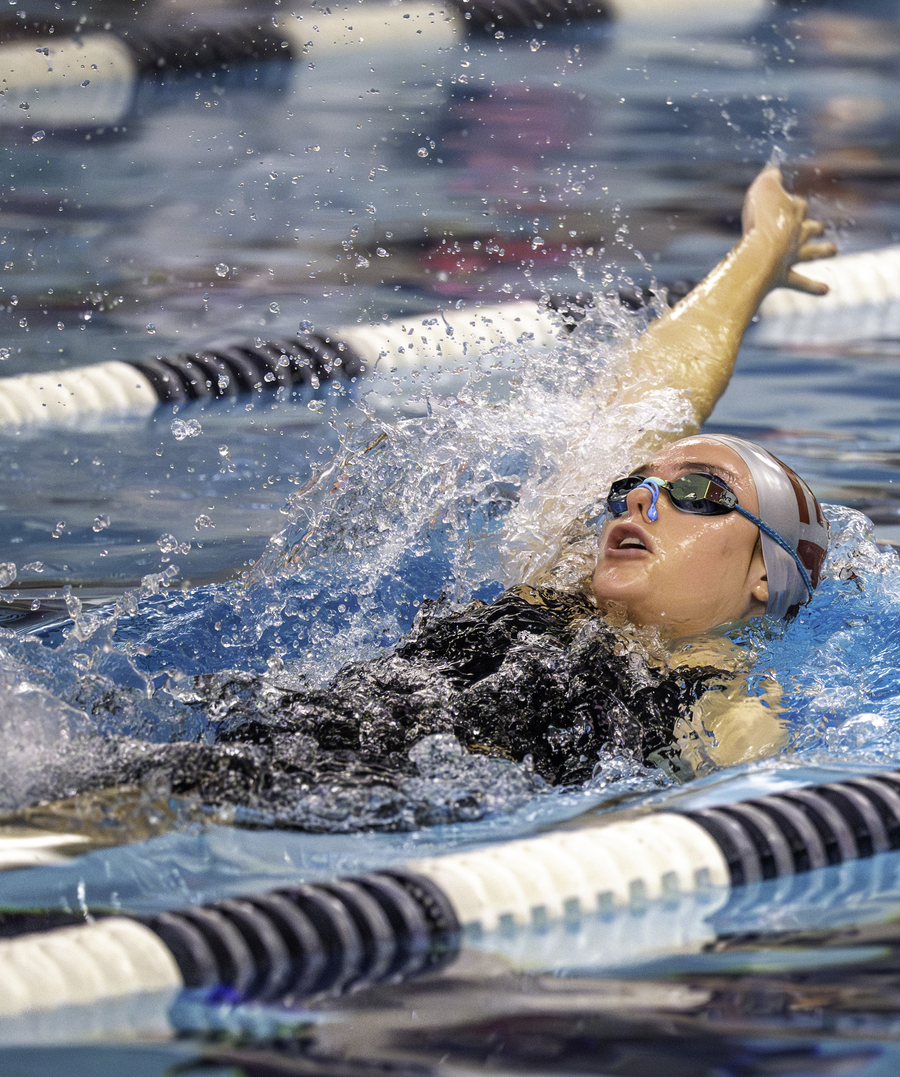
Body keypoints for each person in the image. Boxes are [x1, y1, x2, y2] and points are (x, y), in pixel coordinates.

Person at [78, 164, 840, 825]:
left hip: (328, 808)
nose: (641, 500)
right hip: (254, 754)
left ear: (763, 575)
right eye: (634, 486)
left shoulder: (717, 705)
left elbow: (747, 813)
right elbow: (645, 399)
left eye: (701, 493)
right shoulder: (555, 590)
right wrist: (758, 252)